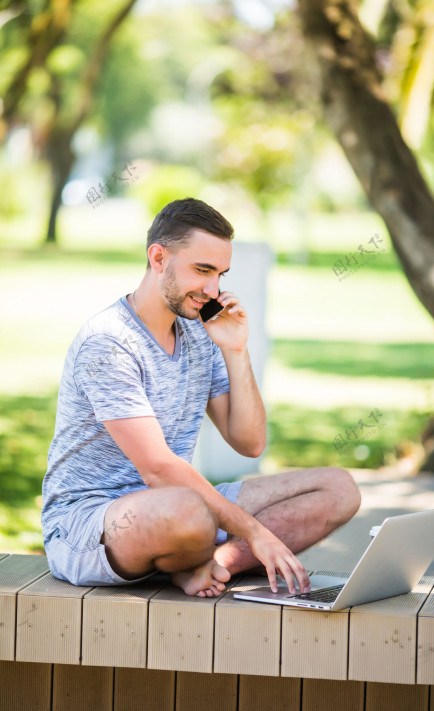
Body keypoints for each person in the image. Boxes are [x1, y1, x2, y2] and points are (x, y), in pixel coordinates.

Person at [42, 197, 361, 597]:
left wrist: (236, 349)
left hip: (178, 506)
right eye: (202, 270)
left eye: (220, 274)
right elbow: (158, 469)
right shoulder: (108, 343)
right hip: (90, 524)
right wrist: (257, 532)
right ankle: (195, 554)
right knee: (190, 510)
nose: (212, 290)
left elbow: (249, 442)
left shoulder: (198, 331)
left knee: (338, 488)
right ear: (159, 258)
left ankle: (214, 565)